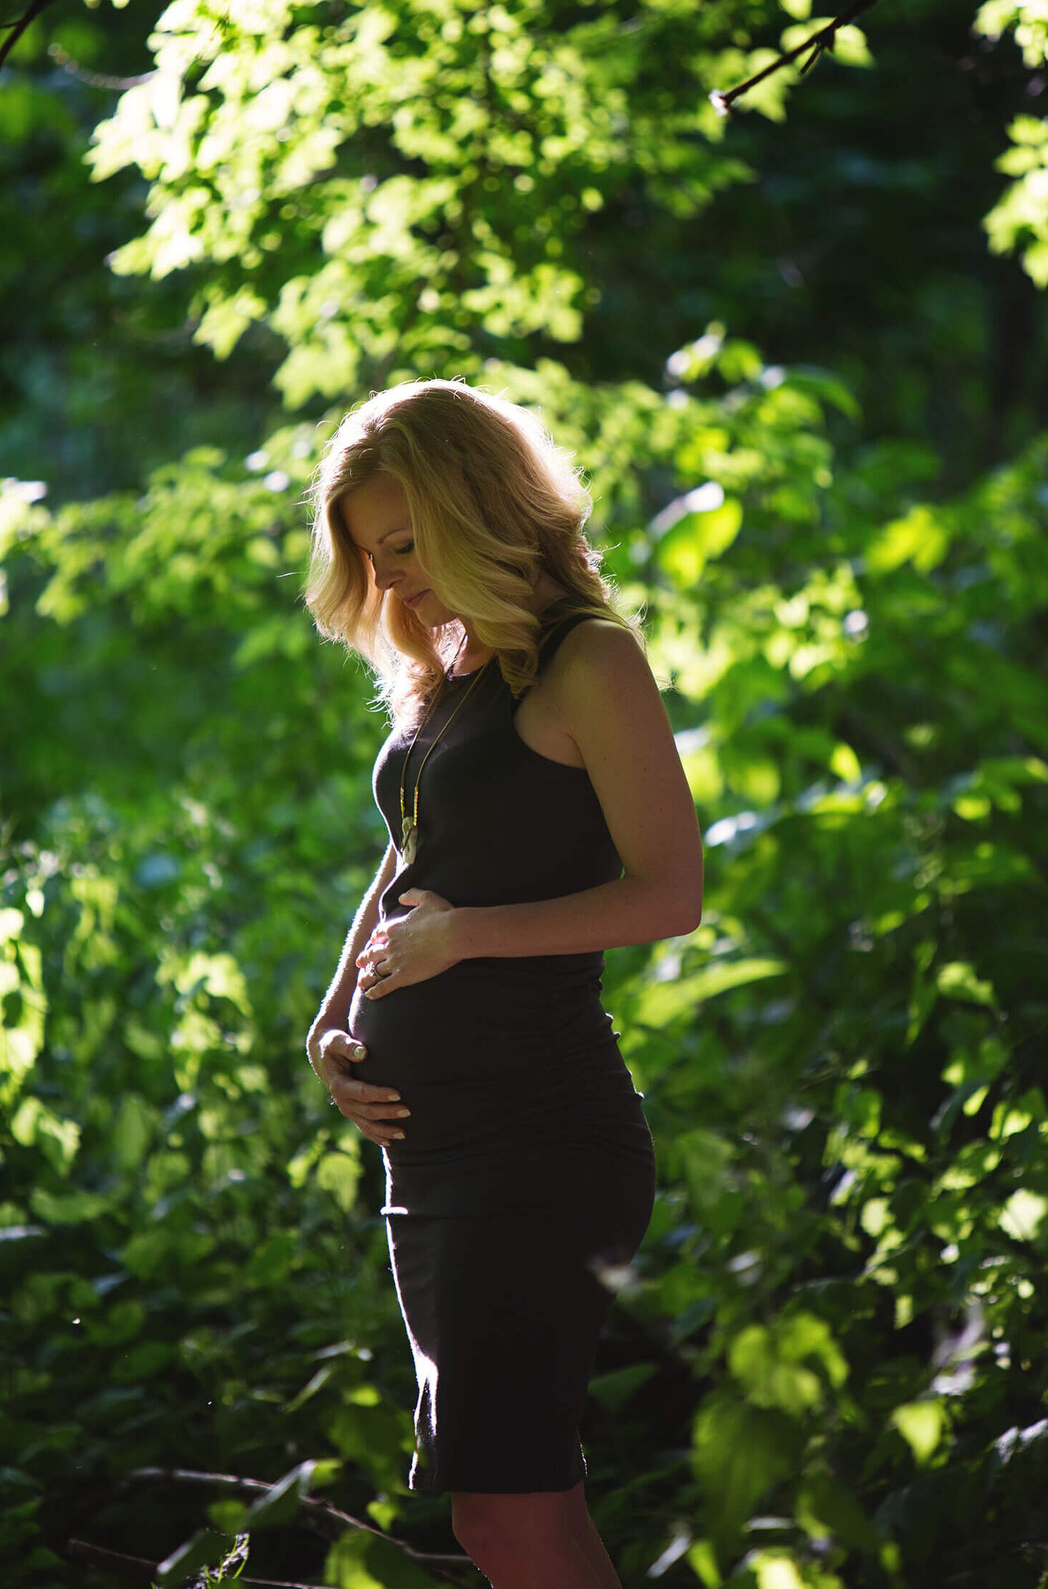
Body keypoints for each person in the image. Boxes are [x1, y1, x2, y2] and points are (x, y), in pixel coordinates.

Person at [304, 379, 703, 1589]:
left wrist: (466, 940)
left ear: (481, 504)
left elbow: (667, 893)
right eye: (377, 560)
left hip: (537, 1138)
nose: (395, 583)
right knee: (508, 1509)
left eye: (410, 546)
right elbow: (414, 847)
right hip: (438, 1155)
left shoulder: (589, 661)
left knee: (508, 1509)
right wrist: (334, 1018)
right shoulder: (466, 669)